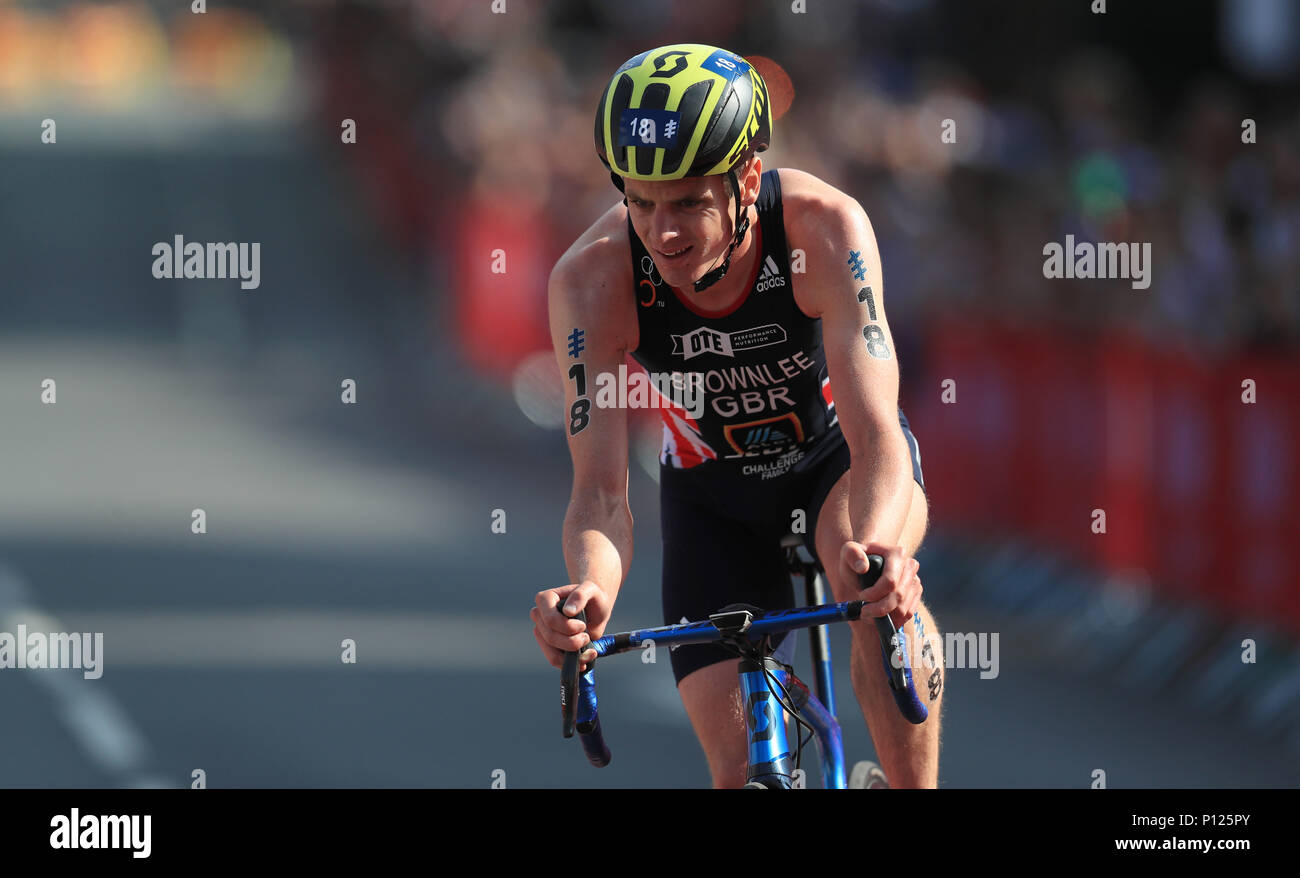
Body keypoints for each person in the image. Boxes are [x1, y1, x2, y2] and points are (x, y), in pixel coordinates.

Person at [530, 43, 943, 788]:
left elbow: (878, 428)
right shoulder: (591, 282)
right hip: (712, 498)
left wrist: (885, 553)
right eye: (641, 202)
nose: (664, 233)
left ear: (747, 176)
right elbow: (597, 491)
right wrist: (589, 592)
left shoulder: (824, 230)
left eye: (689, 201)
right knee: (737, 773)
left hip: (836, 467)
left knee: (869, 586)